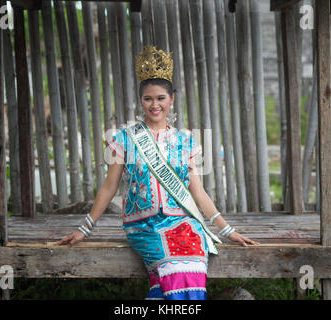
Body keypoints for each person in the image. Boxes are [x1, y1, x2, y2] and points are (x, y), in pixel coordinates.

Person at [57, 46, 259, 300]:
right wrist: (85, 228)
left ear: (171, 98)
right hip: (144, 224)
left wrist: (227, 230)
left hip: (182, 222)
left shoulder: (185, 141)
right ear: (140, 101)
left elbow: (197, 190)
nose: (155, 105)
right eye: (148, 99)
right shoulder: (125, 138)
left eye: (161, 98)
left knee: (191, 262)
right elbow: (109, 187)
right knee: (173, 265)